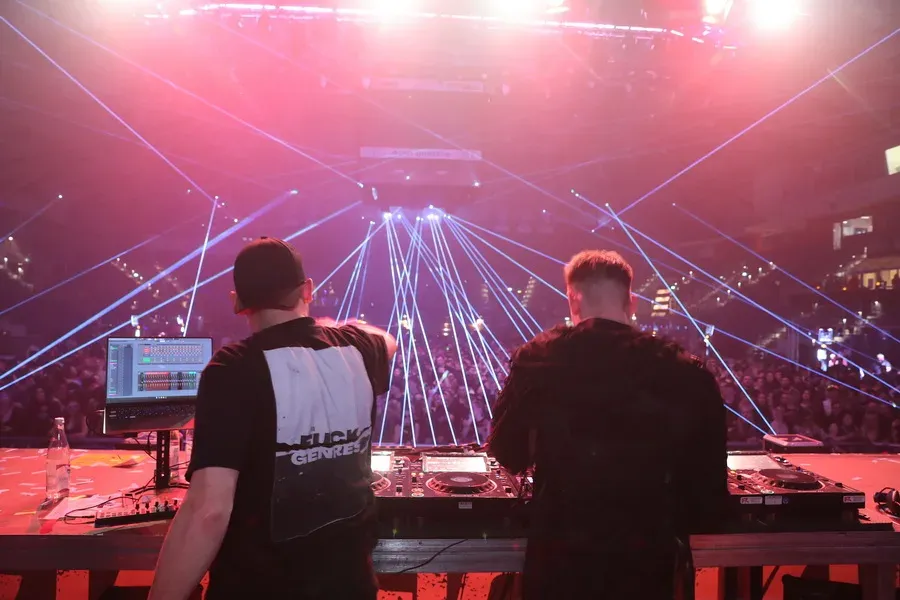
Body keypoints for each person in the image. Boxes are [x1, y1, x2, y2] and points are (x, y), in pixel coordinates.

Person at [150, 237, 397, 600]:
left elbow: (208, 511)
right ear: (307, 290)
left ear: (237, 302)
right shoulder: (357, 348)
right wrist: (331, 326)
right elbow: (386, 339)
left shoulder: (233, 368)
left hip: (261, 586)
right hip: (351, 586)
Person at [488, 250, 727, 600]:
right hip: (645, 561)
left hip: (560, 558)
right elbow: (707, 495)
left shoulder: (539, 360)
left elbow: (508, 452)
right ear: (632, 301)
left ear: (573, 298)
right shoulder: (682, 370)